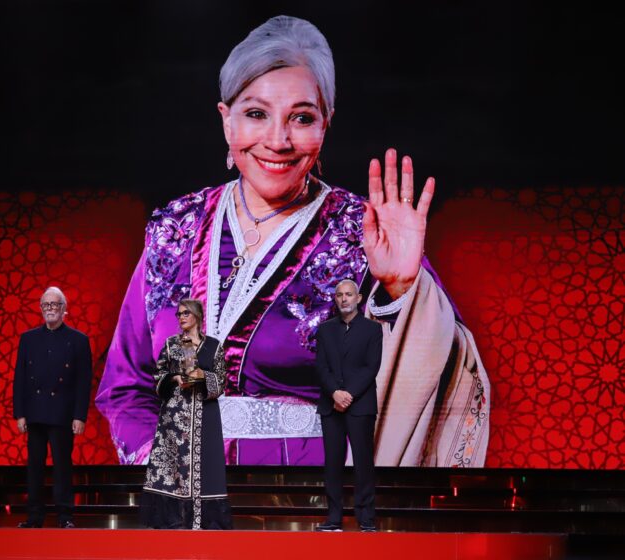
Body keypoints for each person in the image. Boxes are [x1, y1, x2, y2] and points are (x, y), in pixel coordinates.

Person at [96, 15, 490, 467]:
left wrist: (402, 292)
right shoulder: (173, 230)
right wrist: (160, 464)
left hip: (309, 502)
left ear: (326, 125)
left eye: (301, 118)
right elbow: (126, 387)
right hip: (181, 501)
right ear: (227, 122)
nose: (278, 140)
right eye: (256, 114)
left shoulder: (361, 233)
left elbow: (448, 378)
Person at [140, 299, 232, 530]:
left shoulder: (213, 346)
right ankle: (174, 520)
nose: (181, 317)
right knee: (172, 469)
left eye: (186, 313)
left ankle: (204, 522)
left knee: (206, 468)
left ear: (198, 316)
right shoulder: (172, 345)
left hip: (205, 417)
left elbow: (222, 381)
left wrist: (203, 376)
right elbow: (157, 375)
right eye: (179, 314)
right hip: (175, 418)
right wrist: (173, 378)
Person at [12, 287, 93, 528]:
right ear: (40, 308)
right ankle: (34, 516)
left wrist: (79, 415)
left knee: (62, 467)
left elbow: (83, 382)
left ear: (64, 310)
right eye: (46, 305)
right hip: (35, 412)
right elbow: (20, 378)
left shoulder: (79, 340)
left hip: (62, 413)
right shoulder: (28, 339)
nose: (50, 309)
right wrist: (20, 413)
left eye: (55, 305)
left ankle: (65, 516)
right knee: (34, 467)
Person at [315, 279, 382, 532]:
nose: (344, 299)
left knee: (363, 462)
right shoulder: (325, 330)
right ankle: (334, 518)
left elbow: (371, 367)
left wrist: (348, 394)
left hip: (360, 405)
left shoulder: (372, 330)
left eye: (349, 295)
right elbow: (321, 367)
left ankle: (365, 518)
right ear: (335, 299)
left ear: (359, 298)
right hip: (331, 406)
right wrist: (334, 393)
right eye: (340, 295)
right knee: (333, 463)